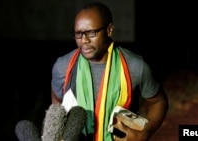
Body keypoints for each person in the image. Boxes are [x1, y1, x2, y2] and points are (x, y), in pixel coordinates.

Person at [51, 2, 168, 141]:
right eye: (78, 33)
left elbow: (159, 102)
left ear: (109, 30)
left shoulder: (135, 66)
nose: (84, 40)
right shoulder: (63, 66)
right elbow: (57, 102)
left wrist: (145, 133)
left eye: (91, 32)